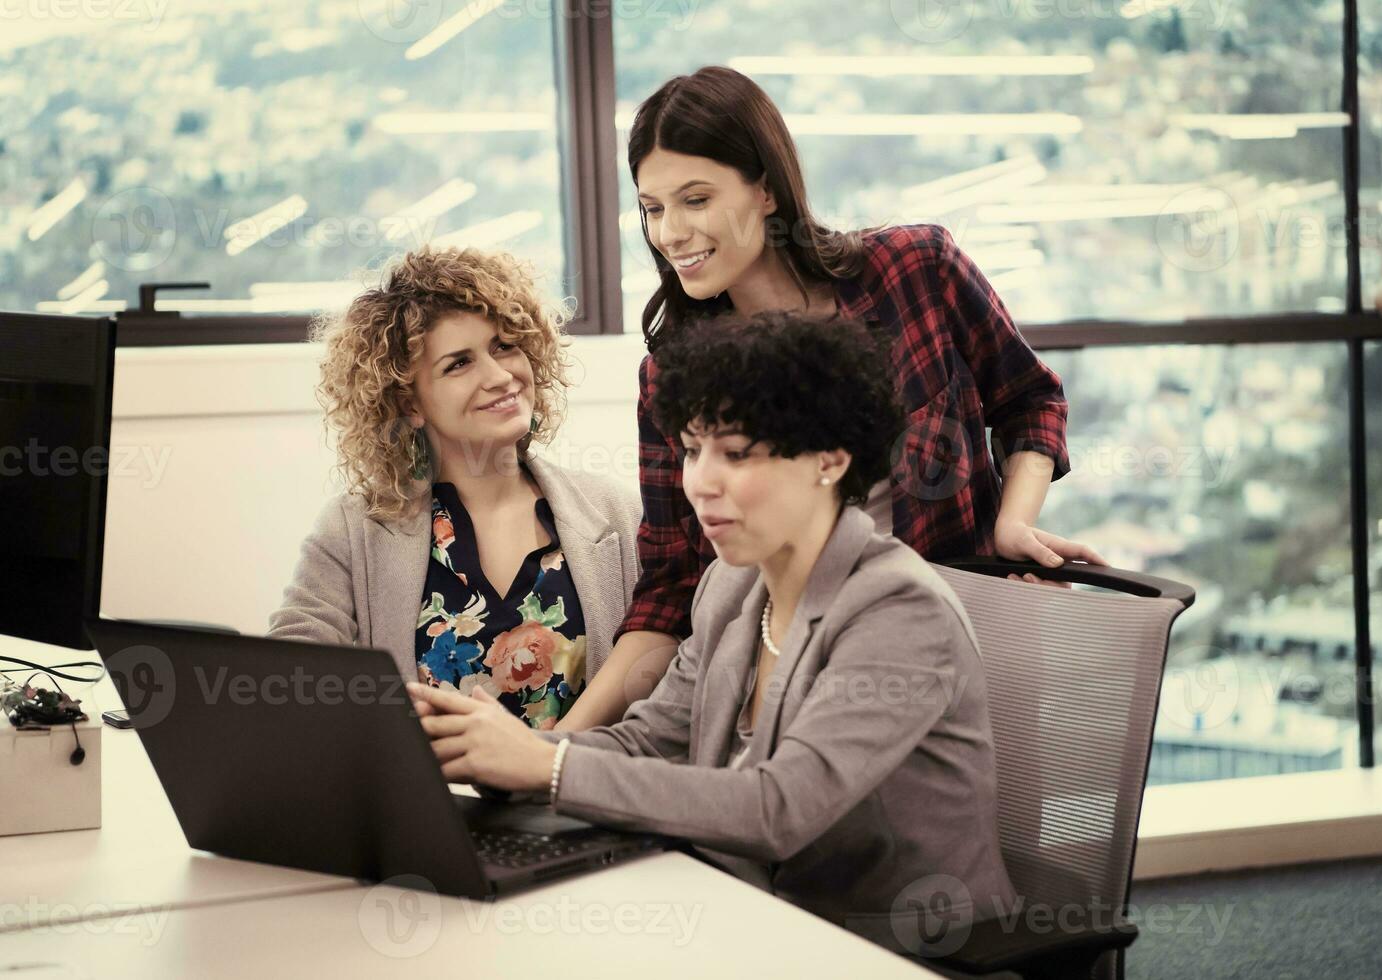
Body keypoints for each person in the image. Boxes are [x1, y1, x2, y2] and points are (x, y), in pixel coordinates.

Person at [407, 311, 1018, 949]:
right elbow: (650, 739)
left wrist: (550, 766)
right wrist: (504, 754)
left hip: (899, 949)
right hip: (751, 922)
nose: (700, 482)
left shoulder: (899, 612)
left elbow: (778, 810)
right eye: (694, 450)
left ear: (830, 462)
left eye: (736, 453)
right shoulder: (733, 584)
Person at [557, 65, 1104, 732]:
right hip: (787, 689)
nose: (669, 233)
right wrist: (560, 742)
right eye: (652, 207)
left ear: (765, 190)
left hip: (958, 641)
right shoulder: (675, 372)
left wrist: (1011, 524)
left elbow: (1029, 400)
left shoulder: (916, 269)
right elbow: (671, 590)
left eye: (695, 200)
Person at [269, 246, 641, 730]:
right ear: (408, 402)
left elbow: (665, 684)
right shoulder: (354, 527)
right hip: (430, 799)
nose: (500, 376)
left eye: (505, 345)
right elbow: (290, 675)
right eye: (459, 364)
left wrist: (544, 761)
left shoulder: (617, 512)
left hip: (574, 796)